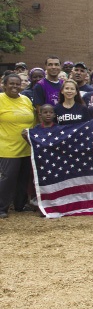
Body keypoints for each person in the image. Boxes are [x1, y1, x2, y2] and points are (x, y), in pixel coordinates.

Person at [0, 74, 36, 218]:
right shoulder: (1, 99)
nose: (14, 87)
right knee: (8, 178)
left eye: (17, 84)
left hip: (26, 147)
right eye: (11, 84)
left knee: (23, 178)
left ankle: (20, 205)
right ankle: (2, 207)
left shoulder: (26, 100)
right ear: (4, 85)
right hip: (7, 147)